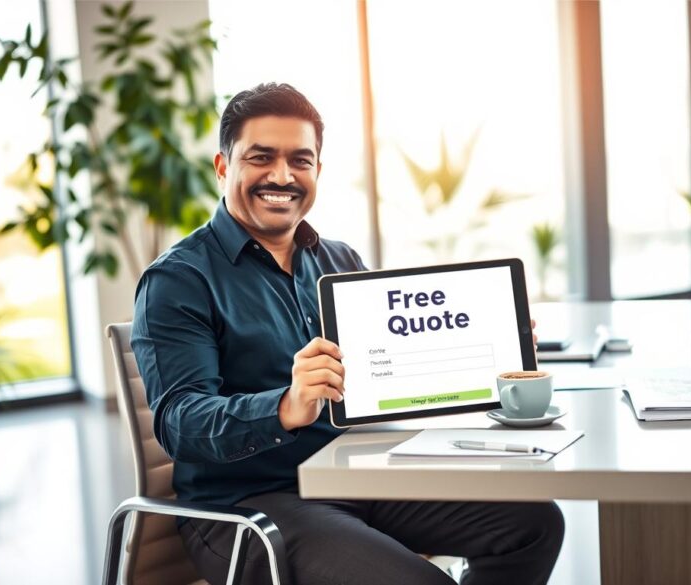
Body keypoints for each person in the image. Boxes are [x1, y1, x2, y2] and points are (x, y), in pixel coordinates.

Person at [131, 82, 564, 585]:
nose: (282, 175)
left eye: (300, 159)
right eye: (261, 157)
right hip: (250, 508)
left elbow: (389, 378)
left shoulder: (339, 261)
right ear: (224, 167)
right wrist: (284, 406)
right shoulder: (178, 280)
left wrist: (490, 355)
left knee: (534, 523)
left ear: (317, 170)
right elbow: (180, 423)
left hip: (356, 475)